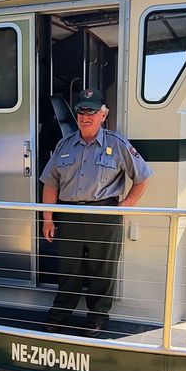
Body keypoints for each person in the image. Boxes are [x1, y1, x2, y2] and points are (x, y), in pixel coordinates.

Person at [40, 88, 152, 337]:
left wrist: (127, 204)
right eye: (81, 110)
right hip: (68, 216)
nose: (85, 115)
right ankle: (60, 316)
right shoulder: (64, 145)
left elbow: (142, 177)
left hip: (104, 216)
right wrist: (47, 217)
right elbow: (50, 183)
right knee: (69, 270)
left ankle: (97, 318)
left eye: (92, 110)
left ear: (104, 114)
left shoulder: (117, 144)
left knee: (102, 269)